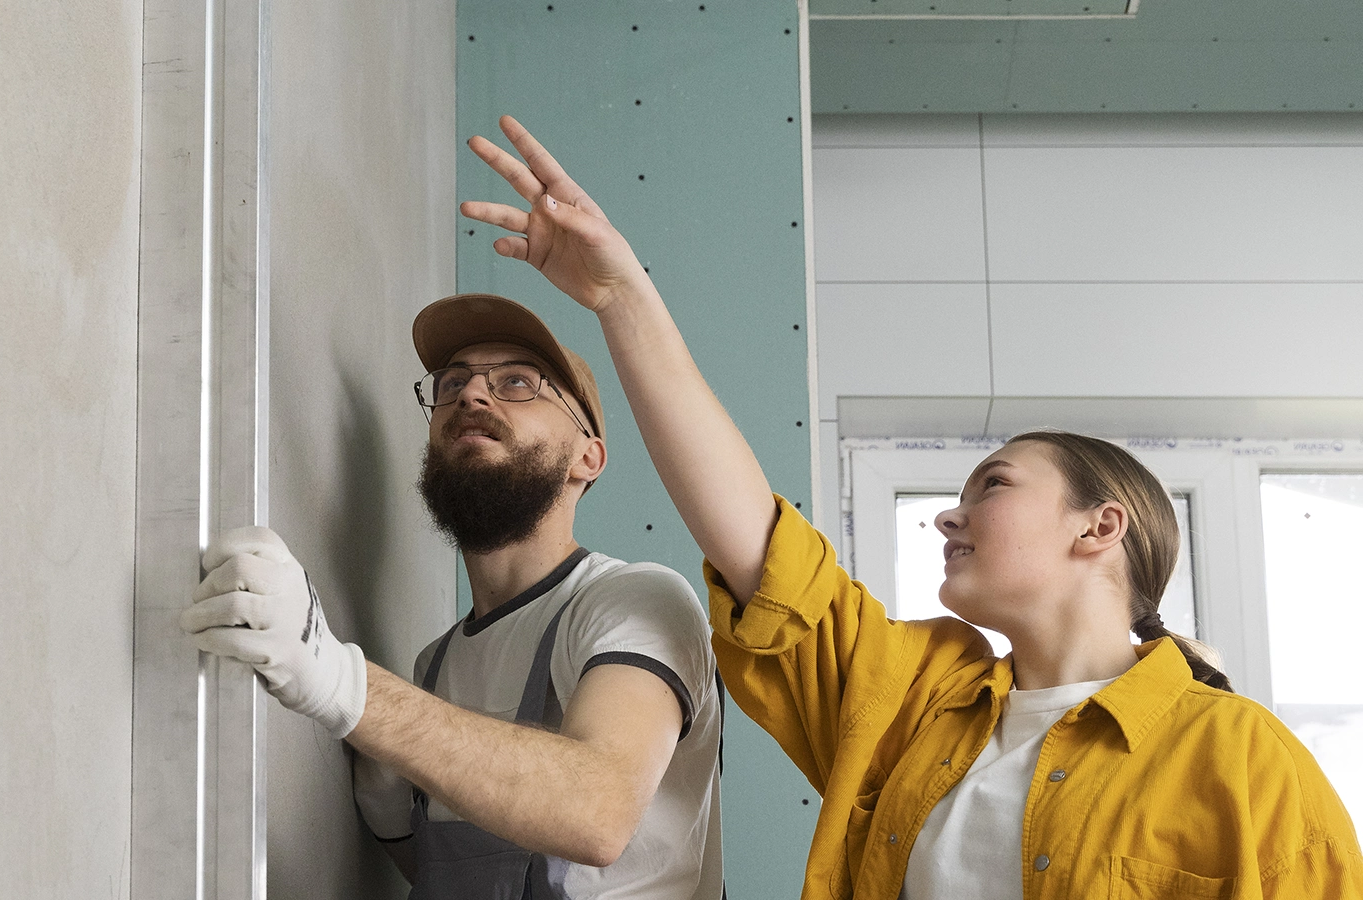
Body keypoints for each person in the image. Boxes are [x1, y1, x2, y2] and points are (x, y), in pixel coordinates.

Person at [458, 115, 1363, 899]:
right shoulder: (914, 702)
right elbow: (755, 544)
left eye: (994, 486)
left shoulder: (1243, 762)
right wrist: (620, 295)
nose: (946, 516)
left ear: (1101, 526)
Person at [181, 292, 724, 900]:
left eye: (519, 382)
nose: (470, 395)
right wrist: (386, 787)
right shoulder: (432, 668)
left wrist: (340, 680)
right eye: (451, 382)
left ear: (586, 458)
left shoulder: (637, 601)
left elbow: (596, 812)